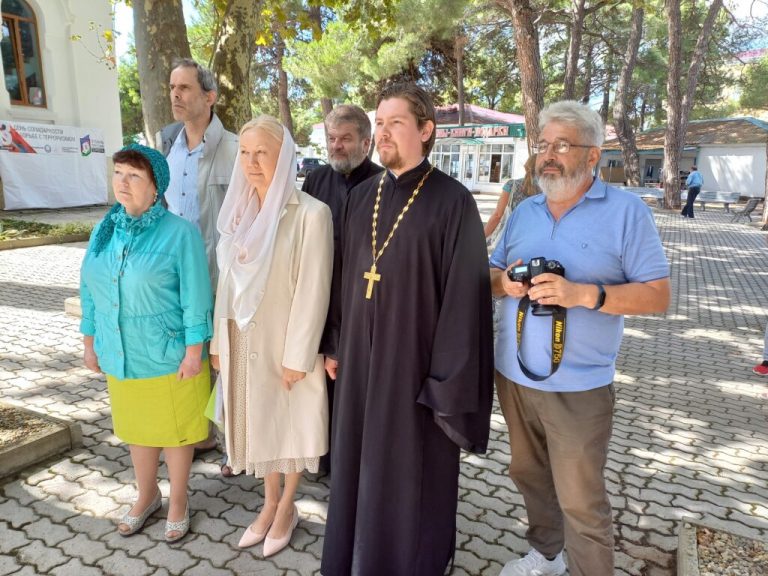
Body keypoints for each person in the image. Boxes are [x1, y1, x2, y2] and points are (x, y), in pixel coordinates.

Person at [490, 100, 670, 576]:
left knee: (582, 502)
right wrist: (504, 282)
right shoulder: (525, 211)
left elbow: (657, 295)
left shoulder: (626, 212)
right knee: (528, 476)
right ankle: (546, 556)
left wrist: (584, 294)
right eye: (543, 145)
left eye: (563, 145)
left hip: (580, 386)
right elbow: (489, 273)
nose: (548, 155)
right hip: (513, 377)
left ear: (594, 156)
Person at [320, 82, 494, 576]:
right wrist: (334, 343)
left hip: (415, 373)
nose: (383, 133)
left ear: (425, 130)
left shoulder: (453, 202)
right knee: (356, 468)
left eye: (395, 123)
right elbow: (344, 277)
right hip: (358, 364)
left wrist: (445, 385)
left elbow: (465, 301)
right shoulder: (362, 197)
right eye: (380, 123)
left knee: (409, 476)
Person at [209, 115, 333, 557]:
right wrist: (216, 342)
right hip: (240, 339)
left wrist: (298, 356)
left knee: (289, 427)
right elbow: (226, 282)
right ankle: (268, 502)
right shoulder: (240, 211)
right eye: (244, 152)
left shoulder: (312, 215)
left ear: (284, 157)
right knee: (258, 424)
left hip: (284, 345)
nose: (251, 161)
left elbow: (313, 290)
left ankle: (286, 509)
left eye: (262, 151)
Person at [80, 144, 213, 543]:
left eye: (134, 175)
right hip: (120, 350)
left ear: (156, 187)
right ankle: (146, 494)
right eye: (118, 173)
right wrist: (90, 343)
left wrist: (194, 352)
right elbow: (89, 289)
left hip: (169, 354)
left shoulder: (180, 233)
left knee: (176, 432)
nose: (122, 182)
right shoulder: (103, 232)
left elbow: (196, 296)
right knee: (137, 430)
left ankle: (178, 501)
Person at [157, 58, 238, 470]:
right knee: (191, 353)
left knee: (225, 356)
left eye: (185, 88)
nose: (175, 94)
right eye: (172, 87)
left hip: (221, 274)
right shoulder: (166, 145)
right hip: (178, 276)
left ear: (210, 97)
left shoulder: (236, 150)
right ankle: (199, 433)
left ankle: (234, 444)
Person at [301, 104, 383, 475]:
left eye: (345, 139)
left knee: (353, 386)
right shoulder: (316, 180)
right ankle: (321, 457)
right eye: (331, 139)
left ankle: (352, 463)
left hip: (360, 299)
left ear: (367, 142)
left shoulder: (384, 183)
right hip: (318, 293)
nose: (336, 146)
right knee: (319, 383)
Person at [484, 154, 539, 246]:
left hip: (511, 239)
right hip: (537, 240)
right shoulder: (550, 189)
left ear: (526, 166)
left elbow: (497, 215)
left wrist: (481, 238)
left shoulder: (512, 185)